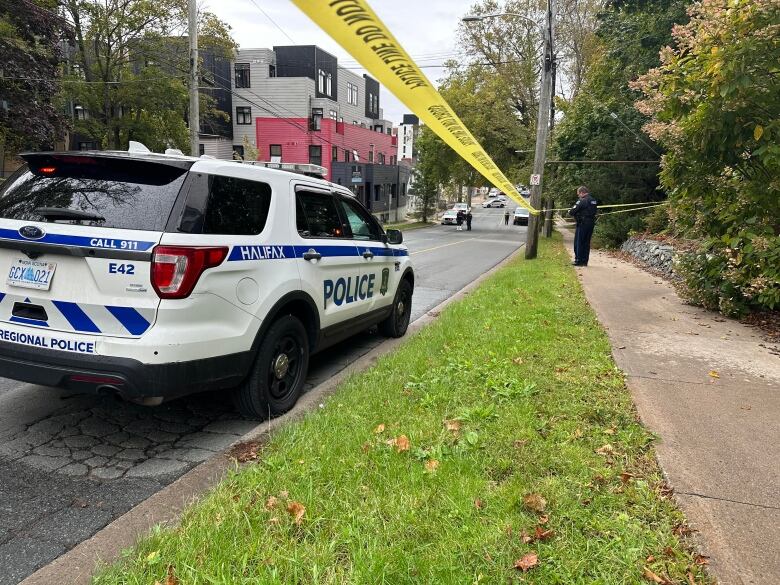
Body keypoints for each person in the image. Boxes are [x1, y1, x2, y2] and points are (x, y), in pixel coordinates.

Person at [568, 185, 598, 266]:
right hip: (591, 223)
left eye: (578, 194)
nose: (578, 196)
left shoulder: (582, 200)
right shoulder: (593, 200)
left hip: (582, 223)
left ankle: (578, 260)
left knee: (579, 242)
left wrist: (570, 211)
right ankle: (585, 261)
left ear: (582, 193)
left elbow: (572, 211)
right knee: (586, 242)